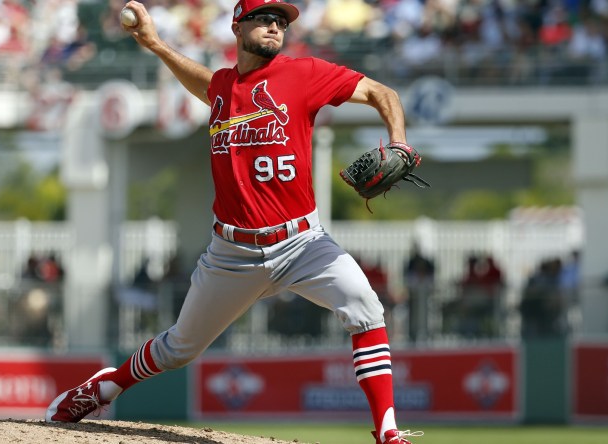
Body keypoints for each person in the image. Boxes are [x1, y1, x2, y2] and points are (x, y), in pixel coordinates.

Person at [45, 1, 422, 442]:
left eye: (281, 21)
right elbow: (204, 83)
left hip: (303, 243)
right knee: (178, 349)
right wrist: (155, 44)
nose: (274, 26)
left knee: (365, 307)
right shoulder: (223, 86)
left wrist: (398, 142)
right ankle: (102, 387)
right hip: (233, 253)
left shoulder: (304, 74)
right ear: (236, 25)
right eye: (264, 18)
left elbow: (385, 94)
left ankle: (387, 431)